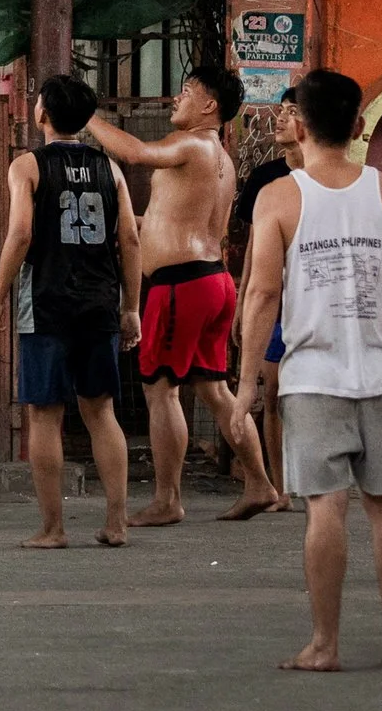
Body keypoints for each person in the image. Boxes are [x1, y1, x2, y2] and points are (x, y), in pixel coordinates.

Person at [237, 68, 382, 671]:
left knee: (325, 509)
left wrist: (245, 383)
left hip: (311, 382)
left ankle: (325, 646)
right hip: (380, 375)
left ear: (298, 124)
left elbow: (261, 296)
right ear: (358, 126)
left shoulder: (279, 197)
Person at [83, 64, 282, 524]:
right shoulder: (220, 160)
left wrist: (87, 117)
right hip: (212, 281)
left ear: (209, 106)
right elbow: (172, 222)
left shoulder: (189, 144)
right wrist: (128, 225)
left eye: (187, 92)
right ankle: (260, 483)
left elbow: (132, 152)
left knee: (161, 391)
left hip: (181, 287)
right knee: (214, 389)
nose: (177, 98)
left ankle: (168, 500)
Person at [0, 74, 142, 548]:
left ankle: (53, 528)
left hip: (46, 303)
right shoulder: (109, 168)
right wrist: (131, 307)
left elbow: (20, 235)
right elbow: (130, 239)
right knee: (101, 411)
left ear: (41, 114)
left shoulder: (26, 165)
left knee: (45, 415)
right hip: (99, 302)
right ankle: (117, 522)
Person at [230, 89, 306, 508]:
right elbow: (255, 248)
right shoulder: (265, 178)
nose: (280, 120)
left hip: (312, 301)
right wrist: (243, 303)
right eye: (280, 111)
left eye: (292, 113)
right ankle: (281, 489)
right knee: (274, 390)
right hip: (273, 301)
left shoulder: (329, 176)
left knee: (306, 393)